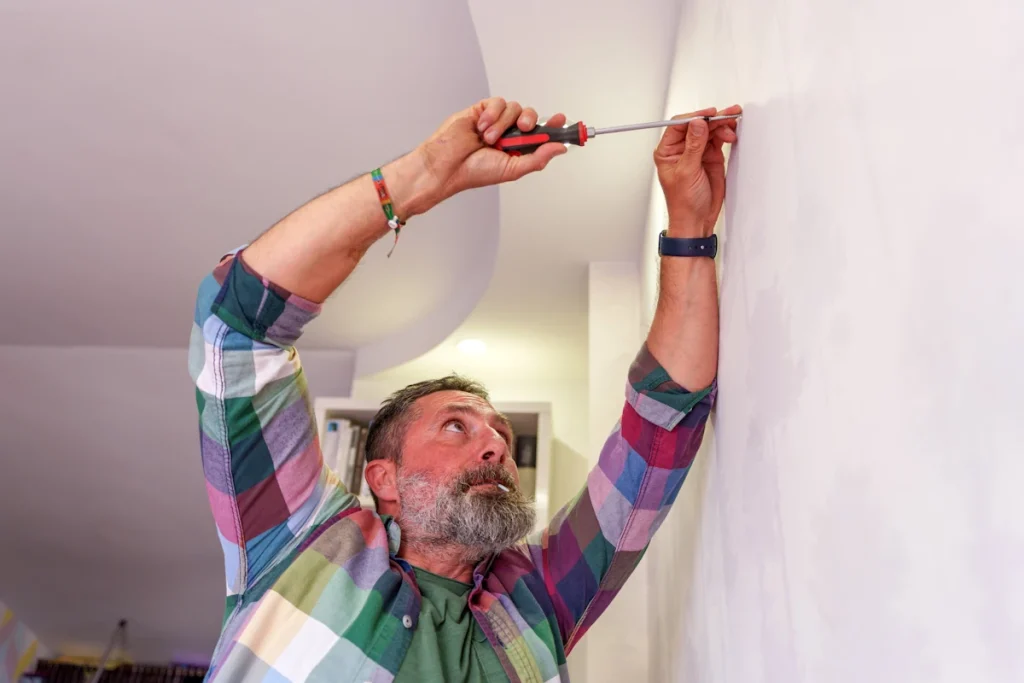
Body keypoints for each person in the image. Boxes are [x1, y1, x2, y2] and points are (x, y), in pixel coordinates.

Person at [188, 97, 741, 683]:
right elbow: (235, 323)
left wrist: (690, 225)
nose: (497, 448)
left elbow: (663, 420)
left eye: (500, 435)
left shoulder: (539, 600)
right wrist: (421, 178)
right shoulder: (297, 544)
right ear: (383, 478)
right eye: (457, 425)